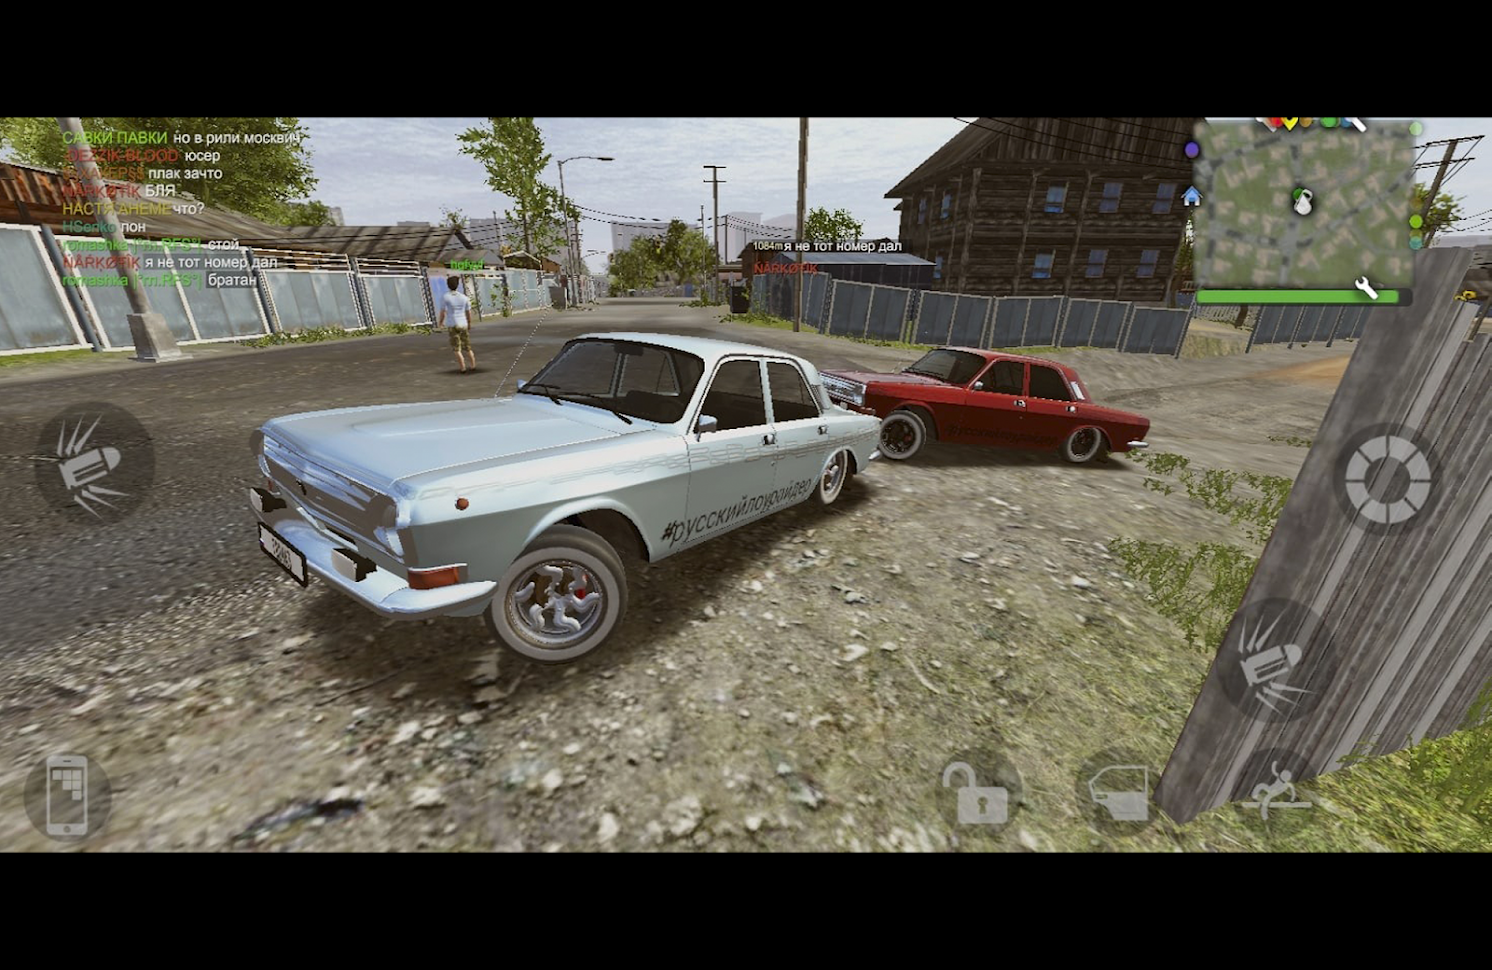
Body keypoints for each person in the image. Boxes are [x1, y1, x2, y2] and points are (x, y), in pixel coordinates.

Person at [436, 275, 475, 373]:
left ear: (448, 285)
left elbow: (443, 312)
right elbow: (468, 312)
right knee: (468, 346)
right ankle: (473, 365)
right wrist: (469, 323)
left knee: (456, 348)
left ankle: (463, 368)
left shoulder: (445, 297)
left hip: (452, 324)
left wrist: (440, 323)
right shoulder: (464, 297)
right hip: (463, 323)